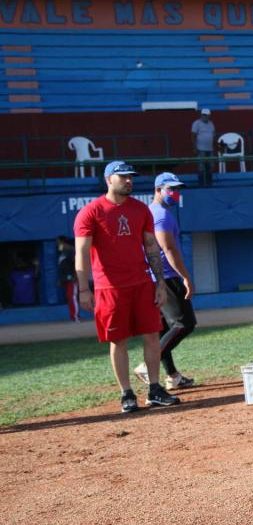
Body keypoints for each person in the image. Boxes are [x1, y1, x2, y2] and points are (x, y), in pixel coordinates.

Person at [74, 160, 180, 413]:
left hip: (142, 283)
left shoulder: (140, 210)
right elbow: (82, 251)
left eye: (131, 177)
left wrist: (160, 283)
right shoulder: (91, 211)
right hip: (109, 288)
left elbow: (151, 247)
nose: (129, 181)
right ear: (109, 179)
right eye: (123, 177)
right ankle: (126, 394)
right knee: (118, 340)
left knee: (152, 335)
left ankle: (154, 389)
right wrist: (84, 289)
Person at [133, 172, 196, 390]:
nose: (175, 193)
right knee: (184, 323)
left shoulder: (151, 212)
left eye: (177, 189)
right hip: (167, 277)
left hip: (153, 278)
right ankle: (145, 364)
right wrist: (186, 277)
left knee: (162, 329)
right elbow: (168, 249)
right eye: (171, 189)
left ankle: (173, 376)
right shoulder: (161, 215)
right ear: (158, 189)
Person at [57, 236, 80, 322]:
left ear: (62, 241)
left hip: (71, 278)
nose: (57, 244)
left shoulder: (69, 249)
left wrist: (75, 274)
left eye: (58, 242)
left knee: (72, 297)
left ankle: (75, 316)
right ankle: (73, 316)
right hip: (65, 278)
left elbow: (76, 261)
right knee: (69, 297)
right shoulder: (62, 252)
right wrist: (61, 279)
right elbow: (62, 267)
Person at [191, 108, 215, 186]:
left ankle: (209, 183)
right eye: (204, 115)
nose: (205, 116)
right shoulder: (196, 123)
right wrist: (195, 147)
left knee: (210, 166)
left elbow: (213, 134)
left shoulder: (211, 123)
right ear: (201, 115)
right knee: (201, 167)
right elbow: (193, 135)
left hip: (210, 148)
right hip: (201, 148)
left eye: (207, 115)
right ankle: (201, 183)